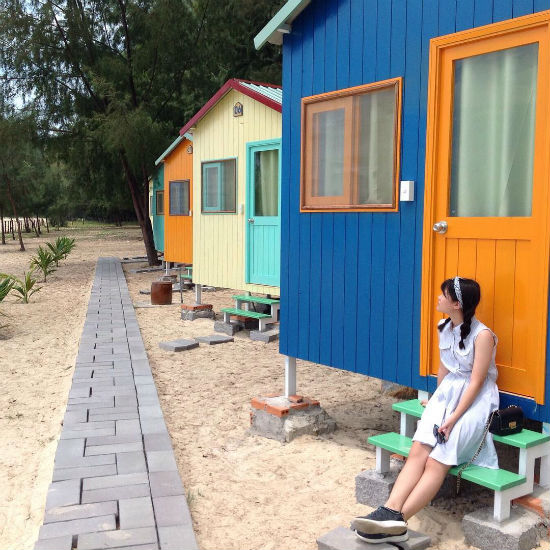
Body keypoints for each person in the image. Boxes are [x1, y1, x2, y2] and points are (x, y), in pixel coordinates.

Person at [352, 277, 499, 544]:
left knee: (436, 460)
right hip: (449, 396)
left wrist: (452, 418)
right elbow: (445, 368)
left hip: (476, 402)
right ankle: (390, 509)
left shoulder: (483, 336)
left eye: (444, 295)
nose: (439, 298)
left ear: (456, 304)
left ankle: (398, 521)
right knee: (419, 449)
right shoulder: (444, 327)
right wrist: (437, 402)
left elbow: (477, 383)